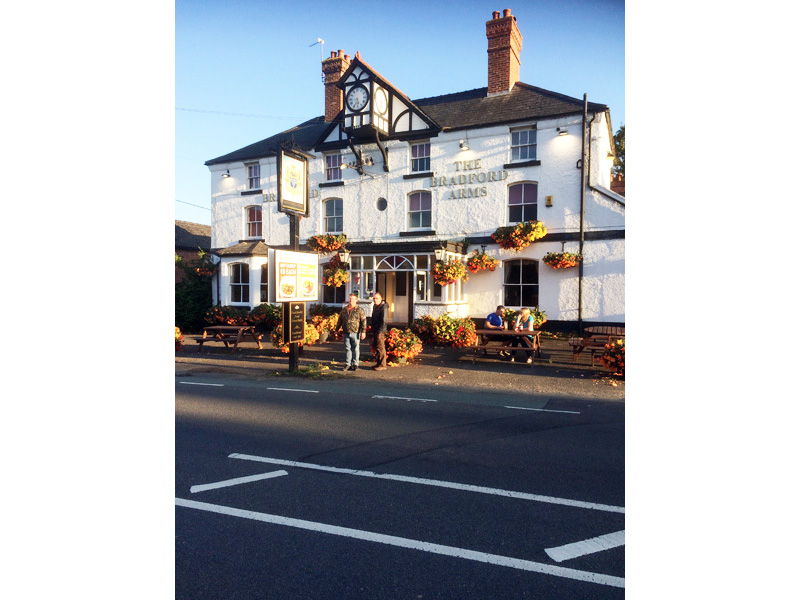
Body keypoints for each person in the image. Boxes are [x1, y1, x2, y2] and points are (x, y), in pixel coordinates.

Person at [335, 292, 366, 371]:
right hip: (346, 332)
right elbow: (340, 320)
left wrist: (363, 331)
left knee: (355, 348)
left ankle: (355, 364)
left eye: (352, 299)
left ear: (356, 300)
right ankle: (348, 364)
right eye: (350, 299)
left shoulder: (359, 310)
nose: (351, 300)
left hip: (355, 331)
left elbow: (363, 321)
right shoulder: (344, 309)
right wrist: (336, 330)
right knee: (347, 348)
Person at [369, 292, 389, 370]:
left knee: (380, 347)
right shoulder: (375, 306)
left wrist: (380, 331)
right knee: (376, 347)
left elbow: (384, 320)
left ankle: (383, 365)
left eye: (377, 298)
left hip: (380, 330)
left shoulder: (383, 307)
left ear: (381, 299)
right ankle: (378, 363)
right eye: (374, 298)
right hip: (375, 329)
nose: (375, 300)